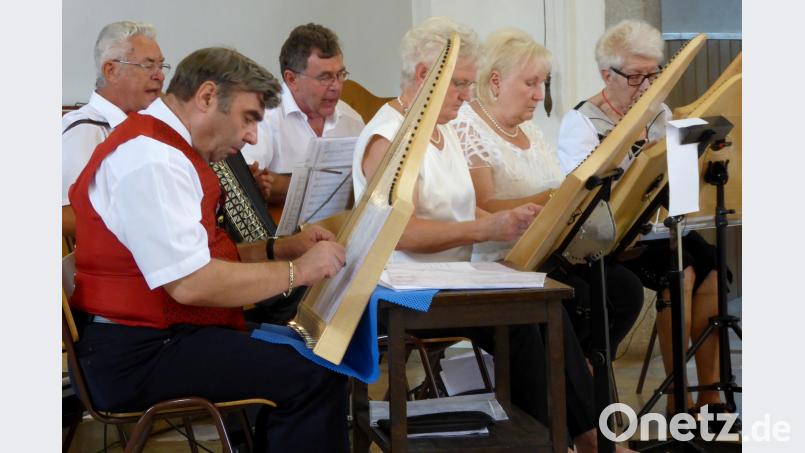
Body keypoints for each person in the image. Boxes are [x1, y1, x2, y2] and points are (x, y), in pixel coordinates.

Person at [354, 17, 627, 453]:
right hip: (403, 286)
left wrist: (513, 219)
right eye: (460, 84)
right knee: (526, 320)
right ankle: (568, 439)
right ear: (424, 76)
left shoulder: (438, 127)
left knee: (546, 304)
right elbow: (399, 235)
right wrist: (487, 226)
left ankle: (583, 437)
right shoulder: (389, 138)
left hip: (451, 276)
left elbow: (464, 208)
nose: (467, 95)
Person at [68, 47, 350, 452]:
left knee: (306, 349)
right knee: (316, 370)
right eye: (248, 118)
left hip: (148, 336)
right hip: (135, 355)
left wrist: (282, 249)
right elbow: (191, 283)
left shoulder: (162, 147)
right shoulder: (152, 158)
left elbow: (203, 257)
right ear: (205, 97)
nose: (253, 135)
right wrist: (300, 270)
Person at [557, 19, 726, 416]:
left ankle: (710, 393)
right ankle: (676, 392)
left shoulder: (659, 112)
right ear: (606, 74)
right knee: (680, 272)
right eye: (636, 77)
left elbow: (673, 183)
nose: (648, 87)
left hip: (654, 224)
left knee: (712, 267)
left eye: (654, 74)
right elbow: (585, 198)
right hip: (609, 235)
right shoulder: (581, 122)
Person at [452, 27, 644, 366]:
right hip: (503, 259)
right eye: (530, 83)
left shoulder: (531, 131)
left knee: (625, 290)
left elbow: (559, 189)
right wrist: (552, 197)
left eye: (543, 83)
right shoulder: (469, 127)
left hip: (548, 251)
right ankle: (566, 389)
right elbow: (481, 206)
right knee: (580, 297)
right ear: (495, 81)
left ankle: (586, 375)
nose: (540, 95)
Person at [62, 21, 167, 238]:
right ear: (111, 71)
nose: (160, 76)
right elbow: (63, 215)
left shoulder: (153, 126)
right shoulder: (85, 130)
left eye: (161, 66)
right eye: (148, 66)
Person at [242, 23, 364, 206]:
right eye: (325, 77)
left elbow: (368, 185)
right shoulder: (263, 116)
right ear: (292, 79)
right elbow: (249, 184)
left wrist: (284, 185)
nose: (336, 86)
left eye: (340, 74)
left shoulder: (352, 121)